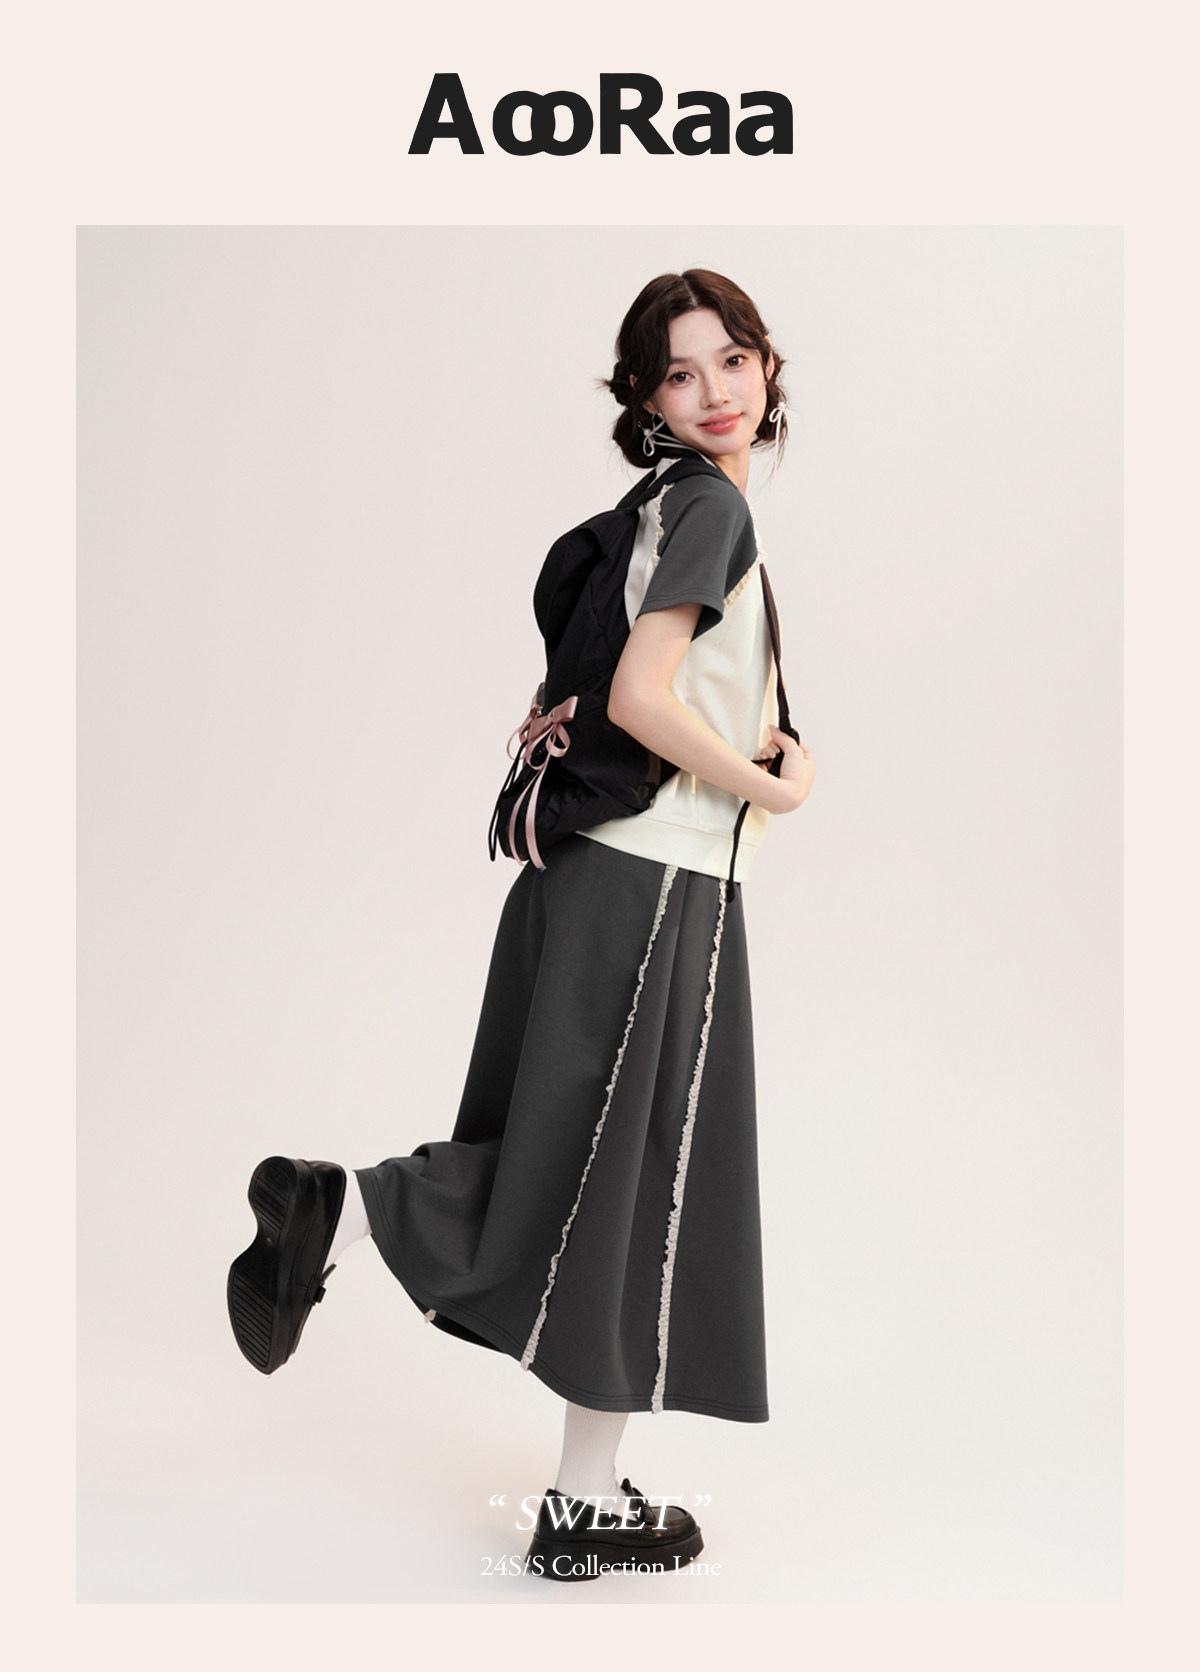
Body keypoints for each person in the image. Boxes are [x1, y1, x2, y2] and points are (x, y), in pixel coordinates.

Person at [227, 268, 816, 1582]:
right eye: (680, 373)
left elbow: (639, 692)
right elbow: (644, 697)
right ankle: (351, 1212)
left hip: (585, 883)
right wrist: (773, 783)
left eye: (731, 359)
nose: (715, 391)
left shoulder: (653, 510)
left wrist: (759, 744)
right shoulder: (710, 508)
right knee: (632, 1180)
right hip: (654, 892)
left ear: (767, 365)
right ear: (645, 397)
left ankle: (575, 1490)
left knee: (594, 1175)